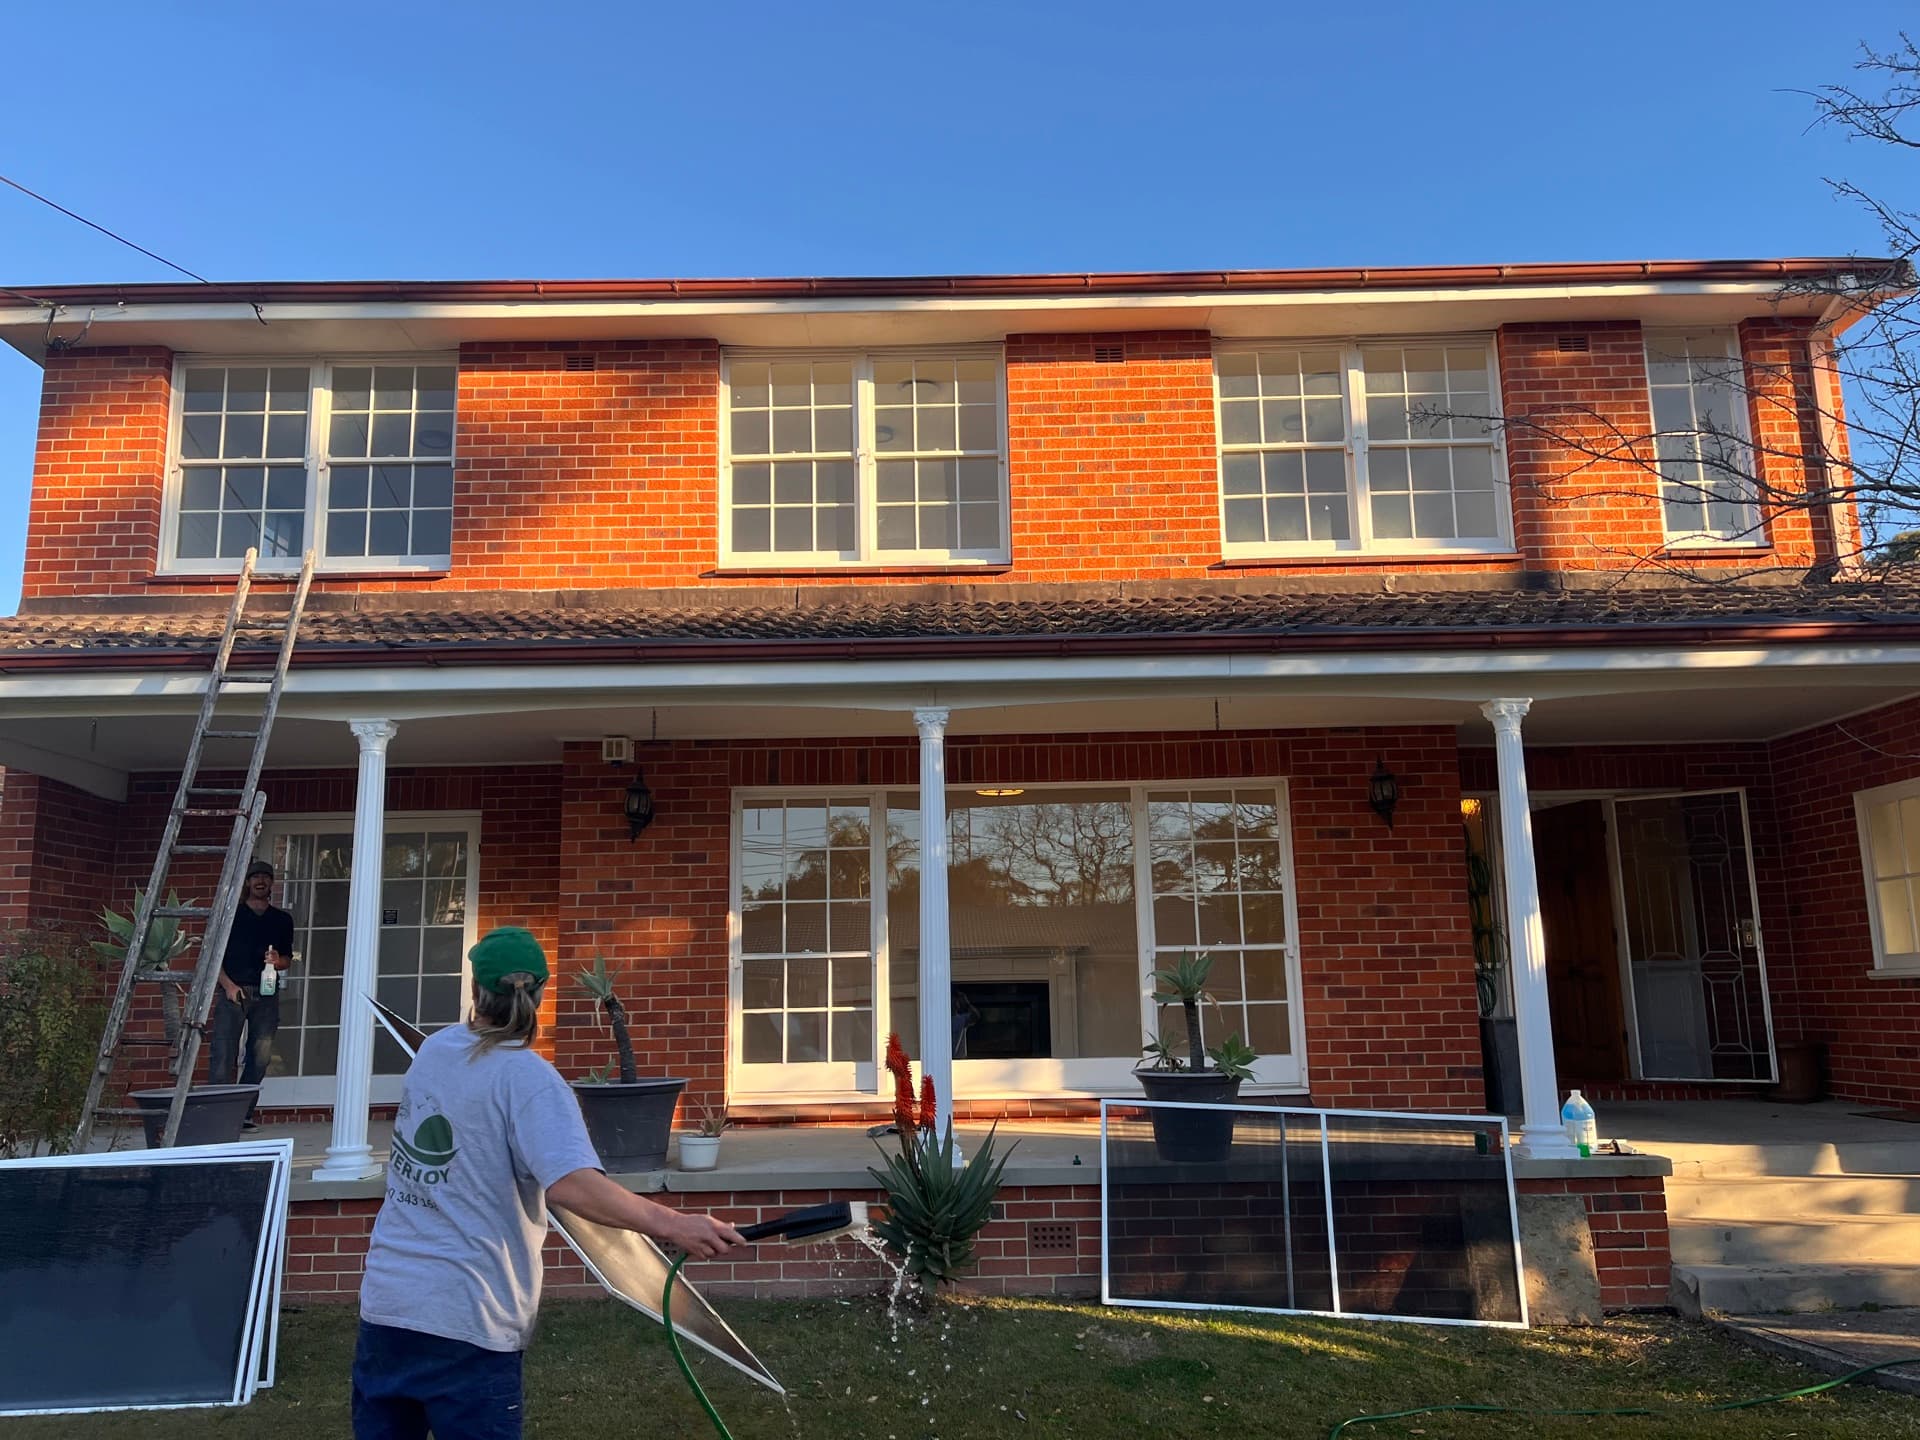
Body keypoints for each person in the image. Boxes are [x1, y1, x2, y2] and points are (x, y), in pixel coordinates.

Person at [352, 926, 742, 1439]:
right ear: (538, 995)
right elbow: (571, 1185)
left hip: (388, 1307)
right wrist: (674, 1223)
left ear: (475, 992)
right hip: (470, 1319)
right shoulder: (529, 1080)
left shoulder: (435, 1053)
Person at [208, 858, 294, 1128]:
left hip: (266, 993)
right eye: (255, 877)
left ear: (271, 883)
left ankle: (242, 1113)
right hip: (234, 991)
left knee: (260, 1056)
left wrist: (276, 960)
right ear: (248, 882)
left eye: (265, 877)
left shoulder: (281, 919)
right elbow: (213, 956)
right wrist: (228, 986)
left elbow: (287, 960)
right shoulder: (232, 914)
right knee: (223, 1053)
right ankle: (220, 1115)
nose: (260, 881)